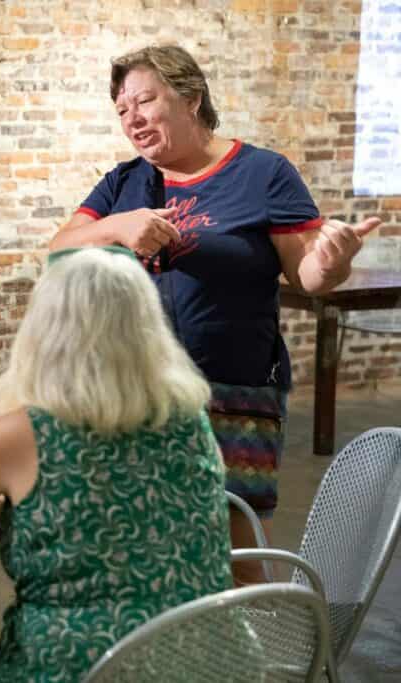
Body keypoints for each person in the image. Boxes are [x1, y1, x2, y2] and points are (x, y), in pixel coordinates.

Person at [46, 44, 381, 581]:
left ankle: (240, 658)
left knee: (231, 549)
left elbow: (307, 276)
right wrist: (117, 226)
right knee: (142, 542)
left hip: (235, 389)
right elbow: (58, 251)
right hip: (136, 391)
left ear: (191, 98)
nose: (131, 117)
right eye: (122, 109)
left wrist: (333, 261)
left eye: (144, 101)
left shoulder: (263, 173)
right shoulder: (125, 183)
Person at [0, 246, 232, 682]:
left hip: (80, 670)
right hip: (213, 664)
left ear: (44, 330)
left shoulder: (29, 434)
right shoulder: (190, 419)